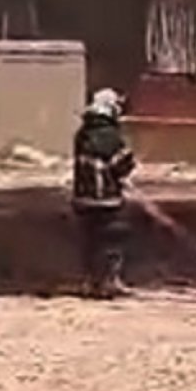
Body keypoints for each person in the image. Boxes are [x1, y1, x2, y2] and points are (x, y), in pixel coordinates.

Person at [72, 88, 137, 299]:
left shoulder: (82, 134)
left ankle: (90, 282)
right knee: (111, 240)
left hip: (82, 198)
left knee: (89, 241)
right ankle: (109, 281)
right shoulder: (110, 135)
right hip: (107, 199)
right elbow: (123, 163)